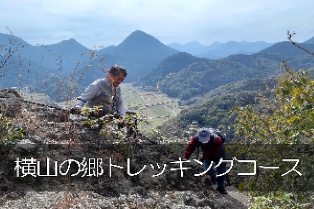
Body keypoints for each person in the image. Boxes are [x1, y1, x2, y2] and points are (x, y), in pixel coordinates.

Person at [184, 127, 228, 194]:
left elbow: (212, 152)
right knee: (207, 171)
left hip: (220, 155)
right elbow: (189, 149)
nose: (204, 141)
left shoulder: (217, 140)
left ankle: (220, 188)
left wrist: (201, 159)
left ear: (209, 135)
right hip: (207, 155)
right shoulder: (195, 138)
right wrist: (185, 159)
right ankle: (213, 177)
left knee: (221, 171)